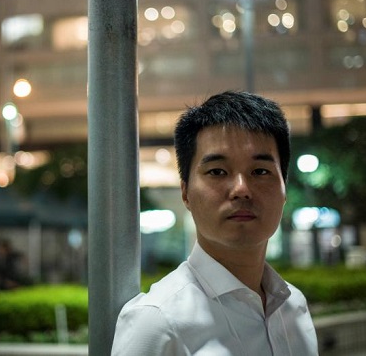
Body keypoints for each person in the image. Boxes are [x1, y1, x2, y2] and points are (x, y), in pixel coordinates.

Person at [111, 91, 318, 355]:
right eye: (218, 172)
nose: (241, 189)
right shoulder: (157, 322)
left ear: (283, 189)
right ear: (185, 192)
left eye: (260, 171)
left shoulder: (294, 307)